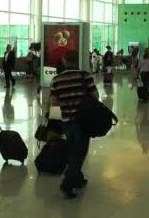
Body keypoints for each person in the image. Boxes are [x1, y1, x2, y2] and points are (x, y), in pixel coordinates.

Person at [50, 51, 99, 198]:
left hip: (67, 122)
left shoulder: (56, 79)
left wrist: (66, 101)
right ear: (76, 60)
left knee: (72, 151)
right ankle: (68, 183)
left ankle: (78, 179)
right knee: (80, 153)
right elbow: (95, 96)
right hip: (83, 122)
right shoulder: (85, 76)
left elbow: (53, 102)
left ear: (64, 60)